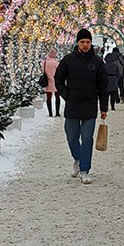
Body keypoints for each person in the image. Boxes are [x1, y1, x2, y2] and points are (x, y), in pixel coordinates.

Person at [55, 27, 109, 184]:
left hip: (90, 106)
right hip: (72, 105)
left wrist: (104, 108)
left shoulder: (97, 62)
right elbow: (58, 79)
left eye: (88, 42)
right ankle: (77, 158)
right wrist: (66, 95)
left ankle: (85, 170)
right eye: (82, 42)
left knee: (87, 139)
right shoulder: (68, 60)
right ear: (77, 43)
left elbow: (103, 86)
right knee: (71, 137)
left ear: (91, 43)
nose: (85, 44)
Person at [42, 49, 61, 116]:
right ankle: (57, 112)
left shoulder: (44, 62)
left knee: (49, 97)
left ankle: (50, 113)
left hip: (47, 81)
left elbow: (43, 71)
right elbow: (59, 72)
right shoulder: (56, 63)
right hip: (56, 81)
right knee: (57, 97)